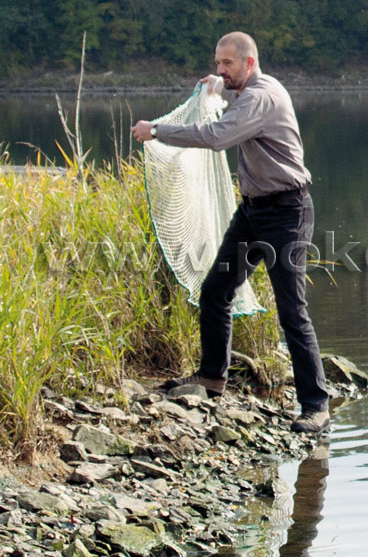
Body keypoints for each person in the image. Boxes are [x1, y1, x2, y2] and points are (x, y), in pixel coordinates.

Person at [132, 31, 329, 434]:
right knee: (216, 292)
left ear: (249, 63)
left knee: (292, 312)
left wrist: (156, 131)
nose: (220, 69)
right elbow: (229, 90)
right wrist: (216, 84)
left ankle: (317, 406)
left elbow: (217, 137)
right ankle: (212, 378)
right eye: (218, 62)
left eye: (227, 64)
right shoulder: (248, 86)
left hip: (288, 213)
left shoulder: (259, 98)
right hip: (254, 211)